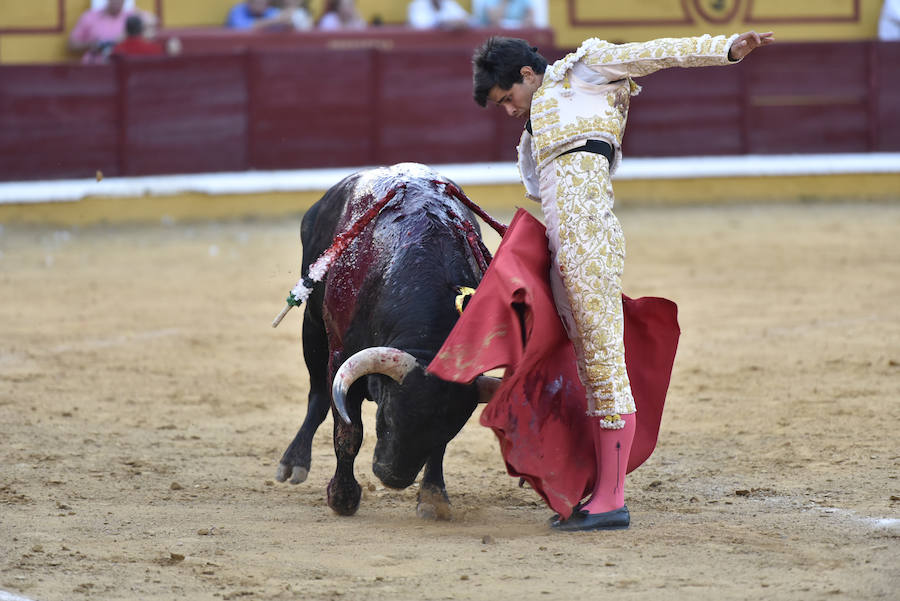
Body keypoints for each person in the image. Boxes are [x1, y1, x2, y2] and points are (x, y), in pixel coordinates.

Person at [471, 30, 774, 531]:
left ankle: (611, 500)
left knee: (605, 367)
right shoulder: (532, 136)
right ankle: (594, 483)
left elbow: (654, 53)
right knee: (586, 368)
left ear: (527, 74)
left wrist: (725, 48)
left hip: (589, 244)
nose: (509, 111)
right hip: (562, 251)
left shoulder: (584, 72)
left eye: (508, 98)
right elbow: (540, 197)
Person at [69, 0, 154, 64]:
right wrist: (93, 45)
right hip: (95, 65)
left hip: (122, 67)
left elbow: (152, 23)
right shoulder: (90, 17)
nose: (118, 2)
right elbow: (72, 45)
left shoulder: (130, 16)